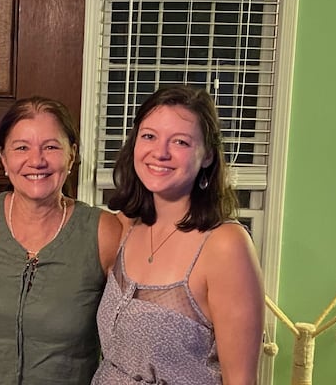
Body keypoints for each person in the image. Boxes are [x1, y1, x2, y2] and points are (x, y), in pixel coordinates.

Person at [91, 85, 264, 384]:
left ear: (207, 156)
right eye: (149, 136)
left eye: (180, 142)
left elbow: (241, 380)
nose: (160, 153)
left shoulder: (225, 245)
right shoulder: (126, 228)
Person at [0, 96, 122, 384]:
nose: (36, 160)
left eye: (51, 147)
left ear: (71, 155)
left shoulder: (104, 231)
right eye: (21, 148)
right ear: (4, 159)